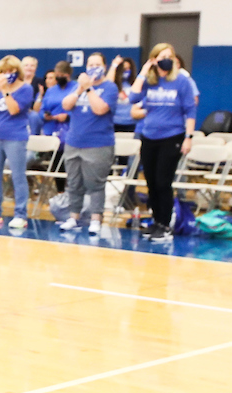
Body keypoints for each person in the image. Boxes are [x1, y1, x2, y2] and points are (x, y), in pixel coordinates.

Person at [128, 43, 197, 243]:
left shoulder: (181, 81)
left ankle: (165, 225)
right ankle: (156, 222)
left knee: (162, 182)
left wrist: (189, 137)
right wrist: (142, 72)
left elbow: (190, 111)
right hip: (149, 136)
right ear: (154, 59)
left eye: (170, 55)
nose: (167, 59)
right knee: (150, 183)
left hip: (172, 136)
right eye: (162, 55)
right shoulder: (149, 81)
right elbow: (132, 97)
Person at [57, 52, 120, 235]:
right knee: (74, 183)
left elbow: (100, 109)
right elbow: (66, 105)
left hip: (98, 143)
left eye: (97, 64)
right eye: (90, 64)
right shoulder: (78, 86)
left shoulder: (110, 88)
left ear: (104, 67)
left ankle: (95, 219)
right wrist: (80, 89)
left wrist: (89, 89)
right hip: (74, 142)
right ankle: (73, 217)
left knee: (95, 184)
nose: (93, 67)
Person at [0, 56, 36, 229]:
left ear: (17, 71)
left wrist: (5, 91)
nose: (6, 75)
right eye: (3, 71)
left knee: (17, 175)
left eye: (10, 71)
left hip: (16, 137)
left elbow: (14, 109)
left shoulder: (26, 89)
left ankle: (20, 214)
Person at [39, 67, 70, 138]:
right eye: (47, 78)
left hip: (66, 129)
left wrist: (68, 116)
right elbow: (41, 110)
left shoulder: (72, 89)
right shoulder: (49, 91)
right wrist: (45, 115)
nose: (48, 81)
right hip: (49, 129)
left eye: (51, 78)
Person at [111, 58, 137, 133]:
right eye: (124, 69)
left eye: (129, 68)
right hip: (115, 122)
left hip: (131, 123)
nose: (126, 71)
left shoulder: (134, 84)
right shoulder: (113, 85)